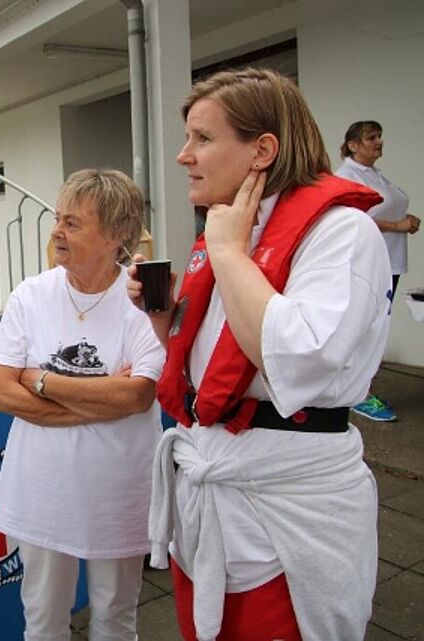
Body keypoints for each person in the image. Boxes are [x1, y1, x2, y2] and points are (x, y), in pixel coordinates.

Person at [129, 68, 390, 641]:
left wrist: (227, 252)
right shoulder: (235, 230)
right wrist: (165, 320)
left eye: (202, 138)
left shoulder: (341, 233)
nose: (183, 156)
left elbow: (299, 356)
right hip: (211, 491)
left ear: (262, 150)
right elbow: (218, 358)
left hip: (283, 511)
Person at [0, 169, 165, 641]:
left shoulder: (144, 300)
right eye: (57, 218)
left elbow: (139, 394)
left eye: (73, 223)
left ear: (114, 236)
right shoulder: (31, 295)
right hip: (41, 491)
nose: (56, 232)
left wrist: (41, 381)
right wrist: (103, 398)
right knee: (43, 617)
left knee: (114, 615)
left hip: (117, 492)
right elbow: (2, 392)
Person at [334, 120, 420, 421]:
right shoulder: (346, 176)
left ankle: (359, 386)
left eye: (380, 136)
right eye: (371, 137)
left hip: (389, 261)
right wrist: (398, 225)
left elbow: (384, 208)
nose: (378, 142)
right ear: (353, 144)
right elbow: (350, 216)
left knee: (376, 327)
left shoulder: (374, 175)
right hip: (367, 263)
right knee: (365, 328)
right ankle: (356, 394)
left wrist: (404, 218)